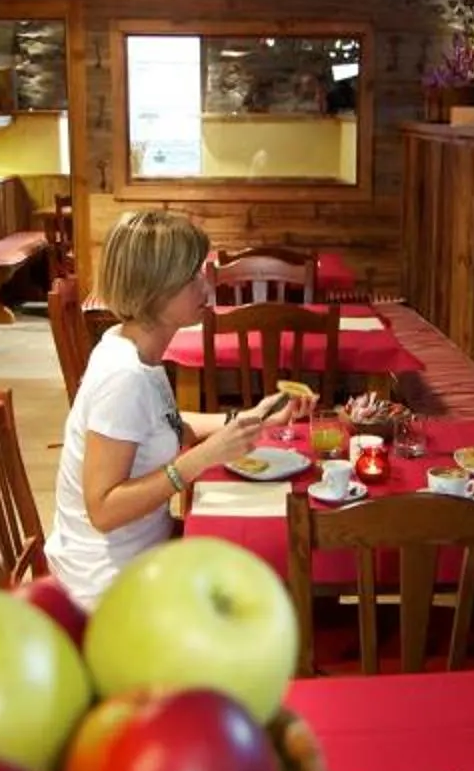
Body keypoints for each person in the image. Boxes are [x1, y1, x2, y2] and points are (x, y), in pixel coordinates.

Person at [47, 209, 304, 607]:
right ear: (154, 288)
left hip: (140, 554)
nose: (206, 286)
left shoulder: (131, 344)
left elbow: (163, 427)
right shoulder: (124, 377)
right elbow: (102, 509)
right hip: (105, 585)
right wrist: (201, 459)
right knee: (262, 584)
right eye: (191, 278)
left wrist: (249, 418)